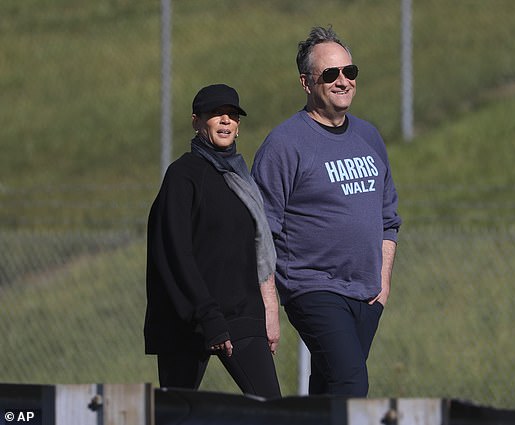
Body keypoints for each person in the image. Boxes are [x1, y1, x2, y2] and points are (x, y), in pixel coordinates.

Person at [251, 26, 401, 397]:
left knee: (327, 392)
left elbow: (389, 219)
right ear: (306, 83)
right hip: (313, 287)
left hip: (366, 294)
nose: (342, 81)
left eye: (349, 72)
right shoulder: (284, 145)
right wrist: (269, 304)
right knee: (351, 384)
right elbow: (258, 230)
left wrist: (382, 284)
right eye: (330, 74)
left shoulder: (368, 137)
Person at [144, 83, 281, 399]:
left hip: (240, 314)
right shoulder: (183, 176)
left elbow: (256, 250)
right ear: (196, 121)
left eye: (231, 115)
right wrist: (208, 316)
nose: (225, 121)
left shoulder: (241, 178)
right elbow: (175, 253)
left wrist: (268, 311)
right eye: (215, 114)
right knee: (174, 414)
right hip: (190, 319)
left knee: (273, 410)